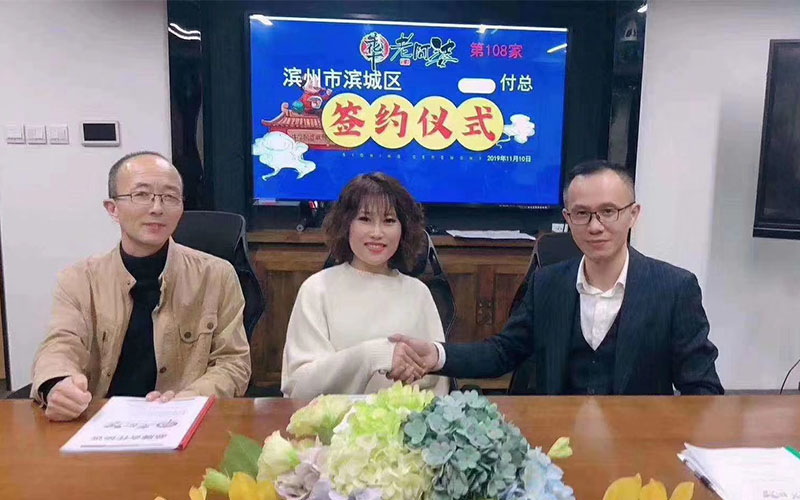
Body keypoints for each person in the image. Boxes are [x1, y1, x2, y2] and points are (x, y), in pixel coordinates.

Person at [390, 160, 723, 395]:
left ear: (633, 214)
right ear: (567, 217)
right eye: (582, 214)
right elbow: (503, 352)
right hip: (558, 441)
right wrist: (437, 355)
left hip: (638, 446)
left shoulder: (674, 289)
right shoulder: (548, 284)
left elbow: (703, 389)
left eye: (608, 211)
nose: (595, 226)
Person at [31, 151, 251, 421]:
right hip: (100, 421)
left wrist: (190, 398)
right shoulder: (79, 279)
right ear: (113, 208)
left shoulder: (217, 275)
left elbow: (233, 362)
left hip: (183, 420)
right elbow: (60, 344)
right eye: (142, 195)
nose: (157, 208)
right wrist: (57, 384)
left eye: (170, 197)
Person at [281, 172, 449, 398]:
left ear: (403, 229)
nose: (377, 233)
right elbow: (300, 388)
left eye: (389, 221)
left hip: (405, 418)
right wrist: (372, 355)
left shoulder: (419, 293)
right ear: (346, 225)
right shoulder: (316, 290)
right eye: (365, 219)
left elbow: (438, 384)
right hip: (332, 419)